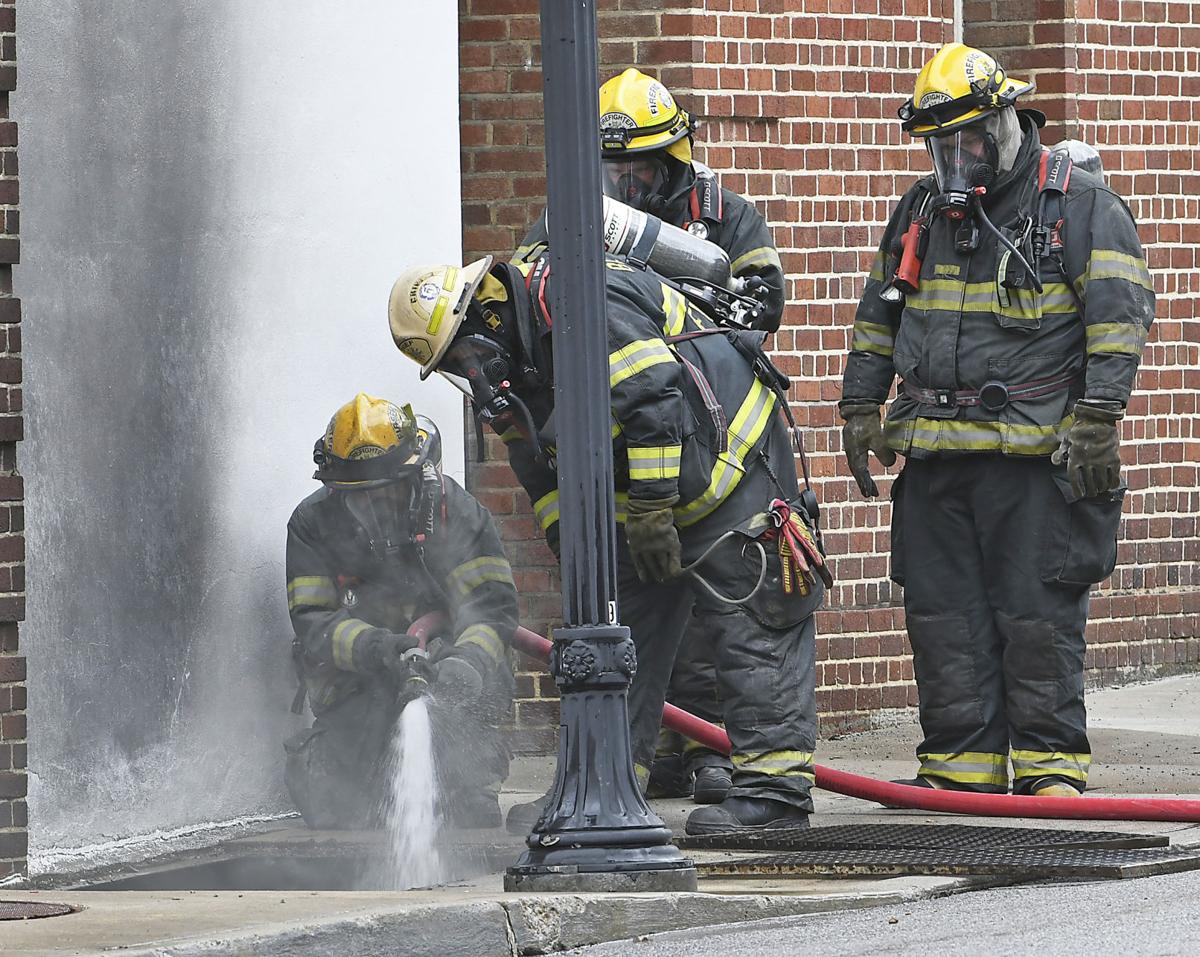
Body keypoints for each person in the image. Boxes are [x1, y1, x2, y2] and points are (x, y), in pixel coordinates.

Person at [388, 253, 827, 835]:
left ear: (487, 316)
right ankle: (606, 785)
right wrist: (571, 544)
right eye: (453, 366)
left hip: (730, 464)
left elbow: (653, 403)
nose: (469, 373)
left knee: (751, 621)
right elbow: (535, 462)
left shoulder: (583, 304)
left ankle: (774, 791)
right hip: (645, 495)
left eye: (463, 355)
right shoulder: (506, 370)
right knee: (618, 635)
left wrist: (649, 509)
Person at [839, 43, 1154, 797]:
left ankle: (1048, 772)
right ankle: (960, 773)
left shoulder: (1078, 206)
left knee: (1036, 620)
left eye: (968, 140)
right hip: (936, 457)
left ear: (1007, 122)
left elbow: (1119, 319)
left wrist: (1098, 419)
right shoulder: (919, 212)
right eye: (941, 144)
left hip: (1033, 458)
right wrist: (859, 404)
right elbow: (878, 317)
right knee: (943, 621)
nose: (956, 158)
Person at [515, 67, 791, 803]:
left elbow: (761, 309)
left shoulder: (726, 216)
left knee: (717, 616)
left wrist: (670, 297)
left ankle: (716, 755)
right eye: (609, 171)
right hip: (629, 458)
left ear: (671, 162)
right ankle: (630, 776)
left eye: (638, 171)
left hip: (718, 441)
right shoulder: (564, 225)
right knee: (633, 614)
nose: (622, 189)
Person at [283, 394, 519, 828]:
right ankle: (358, 769)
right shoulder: (312, 524)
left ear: (415, 477)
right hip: (363, 678)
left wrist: (465, 664)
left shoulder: (455, 512)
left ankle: (471, 779)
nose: (376, 507)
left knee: (468, 814)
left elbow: (492, 608)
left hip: (448, 668)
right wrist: (378, 649)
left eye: (389, 493)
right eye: (361, 497)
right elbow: (314, 621)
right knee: (336, 810)